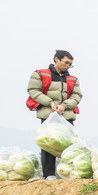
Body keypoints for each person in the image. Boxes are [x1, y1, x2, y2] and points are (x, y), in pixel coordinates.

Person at [27, 50, 82, 179]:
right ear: (56, 59)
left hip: (66, 115)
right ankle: (49, 175)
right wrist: (50, 103)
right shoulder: (40, 74)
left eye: (70, 64)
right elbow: (33, 90)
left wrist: (64, 106)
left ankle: (70, 173)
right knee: (48, 144)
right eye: (66, 63)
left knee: (70, 145)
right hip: (48, 115)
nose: (68, 66)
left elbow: (77, 95)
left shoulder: (73, 79)